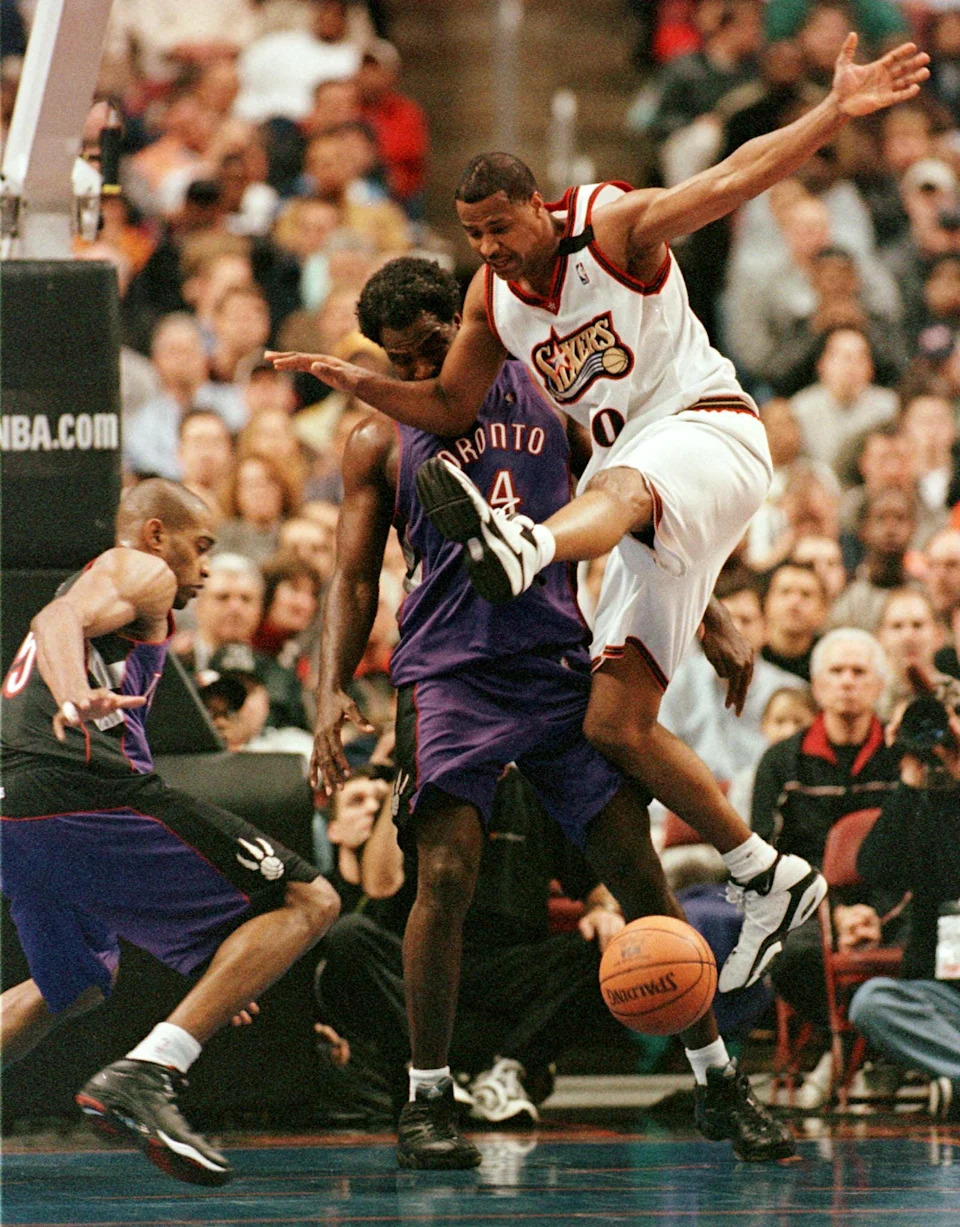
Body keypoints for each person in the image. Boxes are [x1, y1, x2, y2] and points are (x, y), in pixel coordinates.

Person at [267, 34, 928, 999]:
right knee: (615, 722)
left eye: (502, 227)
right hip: (642, 487)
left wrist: (832, 114)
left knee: (607, 493)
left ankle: (525, 542)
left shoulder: (614, 227)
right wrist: (352, 380)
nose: (489, 248)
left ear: (537, 204)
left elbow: (735, 176)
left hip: (708, 430)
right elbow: (448, 407)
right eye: (476, 237)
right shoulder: (492, 299)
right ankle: (764, 873)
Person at [304, 256, 795, 1169]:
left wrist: (713, 611)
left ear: (465, 322)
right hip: (449, 671)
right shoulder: (377, 439)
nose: (418, 375)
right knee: (443, 877)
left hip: (556, 660)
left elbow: (640, 506)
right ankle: (427, 1099)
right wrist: (330, 686)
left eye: (429, 350)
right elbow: (348, 576)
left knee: (637, 876)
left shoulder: (546, 398)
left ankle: (721, 1082)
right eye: (399, 362)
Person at [0, 479, 339, 1185]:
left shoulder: (117, 595)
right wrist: (74, 695)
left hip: (17, 804)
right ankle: (150, 1071)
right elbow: (53, 620)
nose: (205, 567)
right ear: (157, 533)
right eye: (201, 546)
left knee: (78, 982)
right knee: (310, 901)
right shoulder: (140, 570)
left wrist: (229, 962)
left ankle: (158, 1053)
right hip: (75, 787)